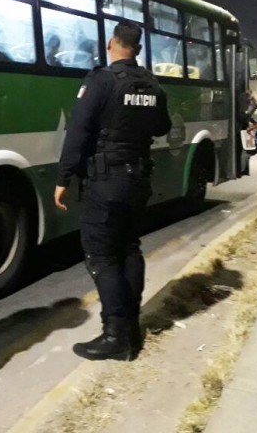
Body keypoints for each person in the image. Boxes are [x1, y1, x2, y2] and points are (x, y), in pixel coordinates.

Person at [54, 21, 171, 361]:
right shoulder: (152, 84)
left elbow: (79, 130)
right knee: (129, 248)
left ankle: (114, 335)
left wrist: (63, 177)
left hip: (105, 181)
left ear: (112, 43)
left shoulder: (102, 80)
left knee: (102, 256)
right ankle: (131, 328)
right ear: (138, 47)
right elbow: (162, 125)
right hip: (138, 178)